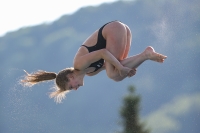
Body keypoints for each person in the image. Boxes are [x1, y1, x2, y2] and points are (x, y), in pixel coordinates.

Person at [21, 21, 167, 103]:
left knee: (113, 74)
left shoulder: (79, 64)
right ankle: (145, 55)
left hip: (113, 30)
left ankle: (146, 55)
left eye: (71, 87)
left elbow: (103, 53)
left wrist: (120, 69)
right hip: (122, 30)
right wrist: (125, 69)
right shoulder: (91, 72)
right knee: (116, 72)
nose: (76, 89)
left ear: (70, 77)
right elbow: (111, 64)